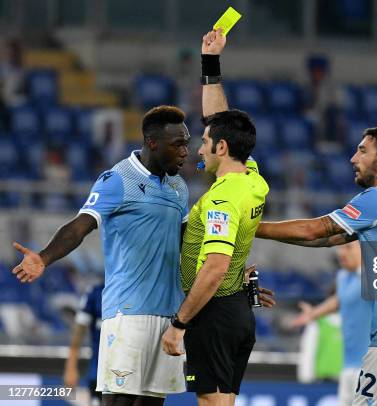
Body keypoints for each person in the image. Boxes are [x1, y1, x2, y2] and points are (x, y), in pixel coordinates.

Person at [12, 105, 191, 405]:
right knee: (118, 402)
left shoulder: (178, 187)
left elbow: (188, 245)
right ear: (152, 143)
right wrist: (44, 257)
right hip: (128, 312)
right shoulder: (118, 179)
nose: (186, 151)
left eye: (187, 143)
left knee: (152, 403)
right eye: (178, 144)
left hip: (168, 316)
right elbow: (81, 226)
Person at [256, 127, 377, 405]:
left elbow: (312, 230)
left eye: (363, 150)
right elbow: (326, 239)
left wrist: (247, 227)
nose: (353, 158)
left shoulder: (376, 199)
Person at [160, 28, 274, 406]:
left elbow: (214, 266)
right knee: (222, 401)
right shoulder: (252, 178)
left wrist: (179, 324)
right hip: (236, 309)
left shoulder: (223, 198)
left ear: (222, 147)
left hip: (214, 313)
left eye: (206, 143)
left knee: (212, 402)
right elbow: (220, 118)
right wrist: (210, 62)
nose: (199, 150)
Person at [292, 240, 371, 406]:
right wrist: (314, 313)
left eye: (348, 247)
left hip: (370, 368)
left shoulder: (375, 277)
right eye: (340, 247)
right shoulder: (342, 277)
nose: (341, 253)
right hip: (348, 368)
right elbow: (339, 300)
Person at [64, 283, 104, 406]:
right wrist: (70, 368)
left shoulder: (138, 291)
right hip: (98, 374)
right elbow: (79, 332)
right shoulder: (96, 293)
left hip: (129, 373)